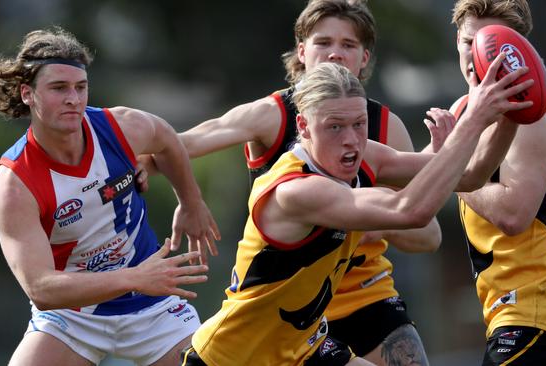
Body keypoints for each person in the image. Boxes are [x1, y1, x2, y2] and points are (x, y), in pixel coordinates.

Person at [182, 59, 534, 365]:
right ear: (303, 127)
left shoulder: (366, 156)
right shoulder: (294, 191)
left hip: (302, 348)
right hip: (236, 356)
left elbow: (469, 175)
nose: (351, 139)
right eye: (334, 127)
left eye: (359, 124)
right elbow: (409, 210)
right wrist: (474, 118)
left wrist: (511, 114)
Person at [173, 1, 441, 363]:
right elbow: (178, 144)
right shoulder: (272, 116)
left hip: (362, 293)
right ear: (302, 51)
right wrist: (186, 197)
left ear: (364, 57)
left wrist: (365, 216)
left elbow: (427, 233)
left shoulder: (382, 129)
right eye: (323, 43)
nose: (335, 54)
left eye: (348, 45)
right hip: (288, 303)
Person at [0, 26, 220, 366]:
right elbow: (42, 289)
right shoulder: (14, 185)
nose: (74, 99)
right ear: (27, 94)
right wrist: (134, 278)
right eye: (59, 88)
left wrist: (190, 201)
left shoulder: (120, 128)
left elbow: (166, 138)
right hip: (73, 317)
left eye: (81, 87)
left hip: (153, 307)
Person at [439, 0, 546, 364]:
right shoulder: (462, 112)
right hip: (509, 315)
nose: (479, 57)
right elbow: (421, 183)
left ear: (517, 50)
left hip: (541, 313)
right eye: (469, 43)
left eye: (492, 46)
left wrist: (447, 171)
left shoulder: (529, 121)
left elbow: (513, 214)